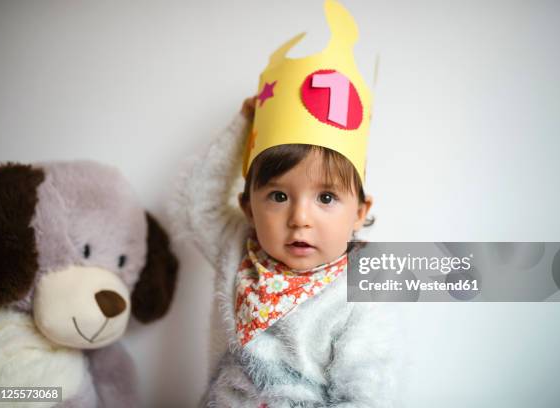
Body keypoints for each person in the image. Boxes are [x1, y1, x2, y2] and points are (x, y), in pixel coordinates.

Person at [170, 1, 403, 406]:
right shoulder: (236, 247)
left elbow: (367, 387)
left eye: (326, 197)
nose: (299, 218)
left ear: (360, 213)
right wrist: (242, 128)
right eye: (278, 196)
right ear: (248, 206)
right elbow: (197, 205)